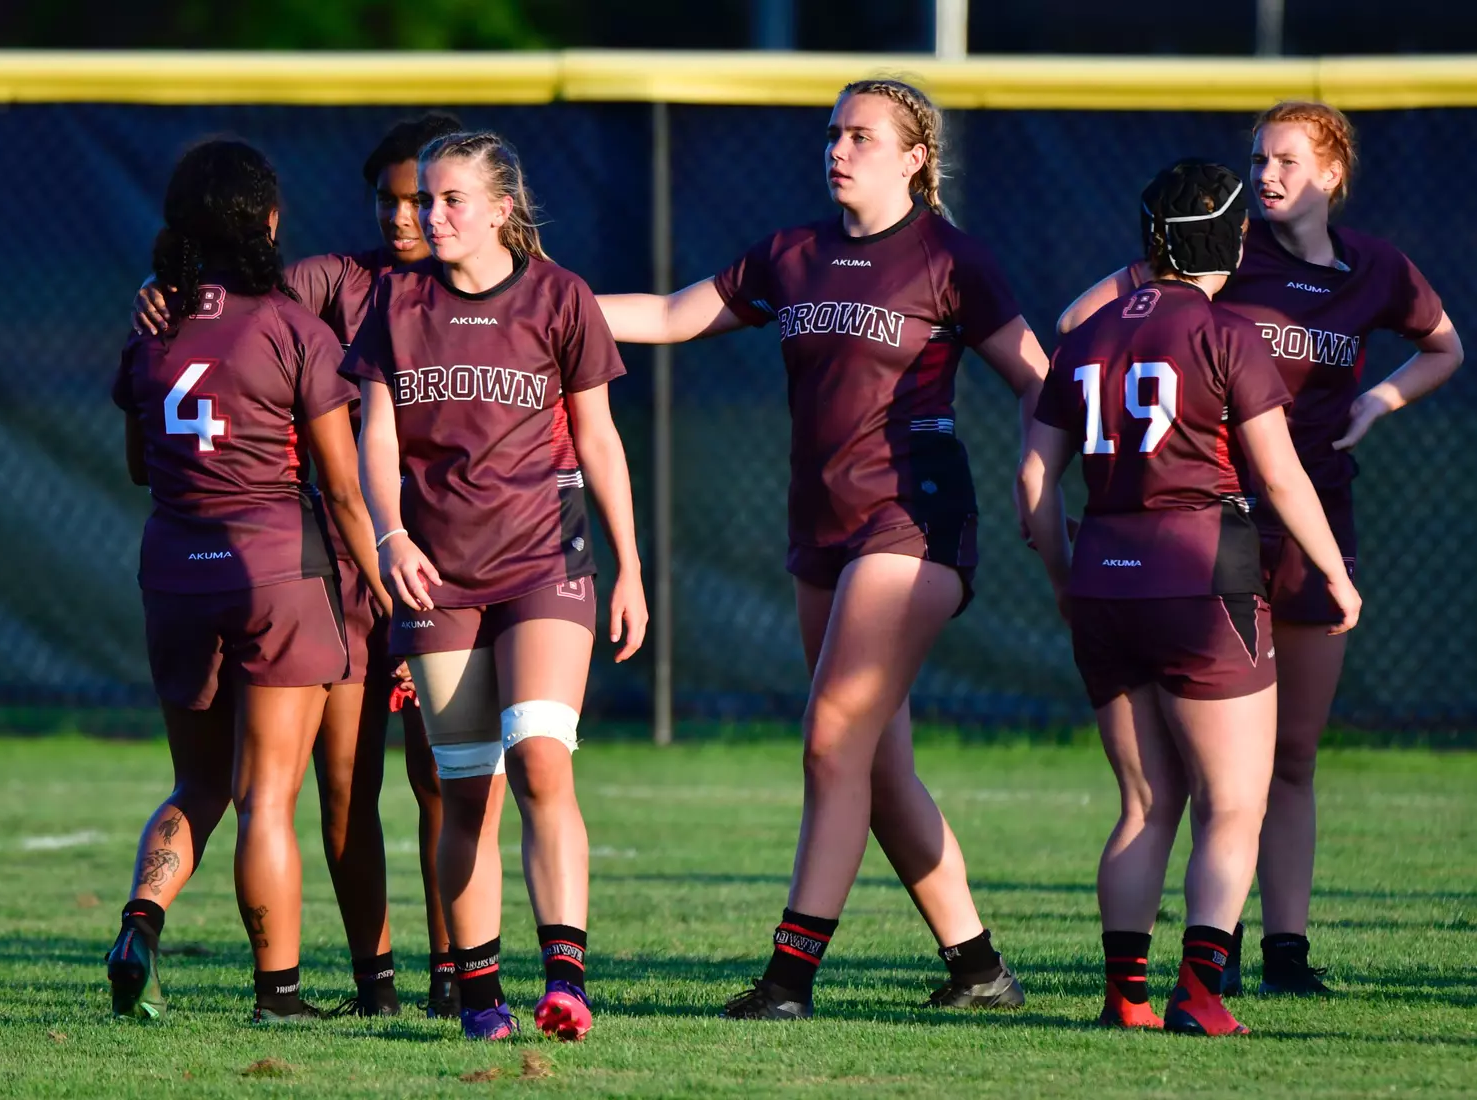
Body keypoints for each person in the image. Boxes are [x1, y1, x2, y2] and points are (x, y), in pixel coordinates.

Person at [595, 77, 1049, 1019]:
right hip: (825, 528)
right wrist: (536, 306)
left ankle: (790, 979)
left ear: (915, 158)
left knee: (832, 739)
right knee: (876, 766)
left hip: (913, 523)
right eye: (833, 134)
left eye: (862, 137)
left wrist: (1035, 477)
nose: (838, 150)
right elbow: (674, 316)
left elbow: (1040, 380)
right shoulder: (792, 254)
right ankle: (979, 970)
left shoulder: (950, 259)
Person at [1056, 103, 1462, 995]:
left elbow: (1444, 348)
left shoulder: (1376, 268)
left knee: (1294, 756)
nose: (1266, 175)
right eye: (1257, 159)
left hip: (1314, 523)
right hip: (1216, 531)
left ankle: (1287, 950)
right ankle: (1217, 953)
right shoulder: (1224, 250)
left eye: (1286, 160)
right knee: (1216, 768)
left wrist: (1377, 402)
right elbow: (1082, 320)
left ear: (1333, 174)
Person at [133, 113, 466, 1017]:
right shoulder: (335, 282)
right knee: (345, 786)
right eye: (390, 199)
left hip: (457, 559)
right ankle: (376, 983)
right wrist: (160, 291)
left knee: (445, 774)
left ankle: (456, 974)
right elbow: (233, 299)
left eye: (428, 199)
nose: (406, 217)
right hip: (350, 568)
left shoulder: (505, 290)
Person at [1022, 159, 1362, 1036]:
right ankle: (1201, 994)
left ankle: (1125, 996)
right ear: (1234, 239)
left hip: (1104, 577)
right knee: (1234, 802)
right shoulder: (1227, 332)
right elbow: (1280, 476)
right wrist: (1335, 572)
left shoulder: (1087, 335)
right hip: (1203, 574)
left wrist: (1063, 578)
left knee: (1144, 805)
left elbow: (1033, 480)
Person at [342, 130, 646, 1042]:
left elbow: (598, 439)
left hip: (547, 559)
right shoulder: (396, 301)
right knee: (465, 788)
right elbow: (376, 438)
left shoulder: (560, 296)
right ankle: (480, 997)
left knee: (541, 759)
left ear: (502, 209)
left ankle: (566, 981)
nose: (428, 216)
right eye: (422, 200)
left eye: (450, 200)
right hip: (438, 573)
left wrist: (631, 567)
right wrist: (391, 536)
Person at [107, 138, 384, 1023]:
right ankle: (279, 995)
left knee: (197, 785)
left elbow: (140, 466)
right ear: (267, 221)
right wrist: (382, 583)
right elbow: (343, 488)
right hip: (275, 572)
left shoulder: (151, 329)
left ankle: (140, 923)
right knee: (267, 797)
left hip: (172, 571)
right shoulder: (294, 329)